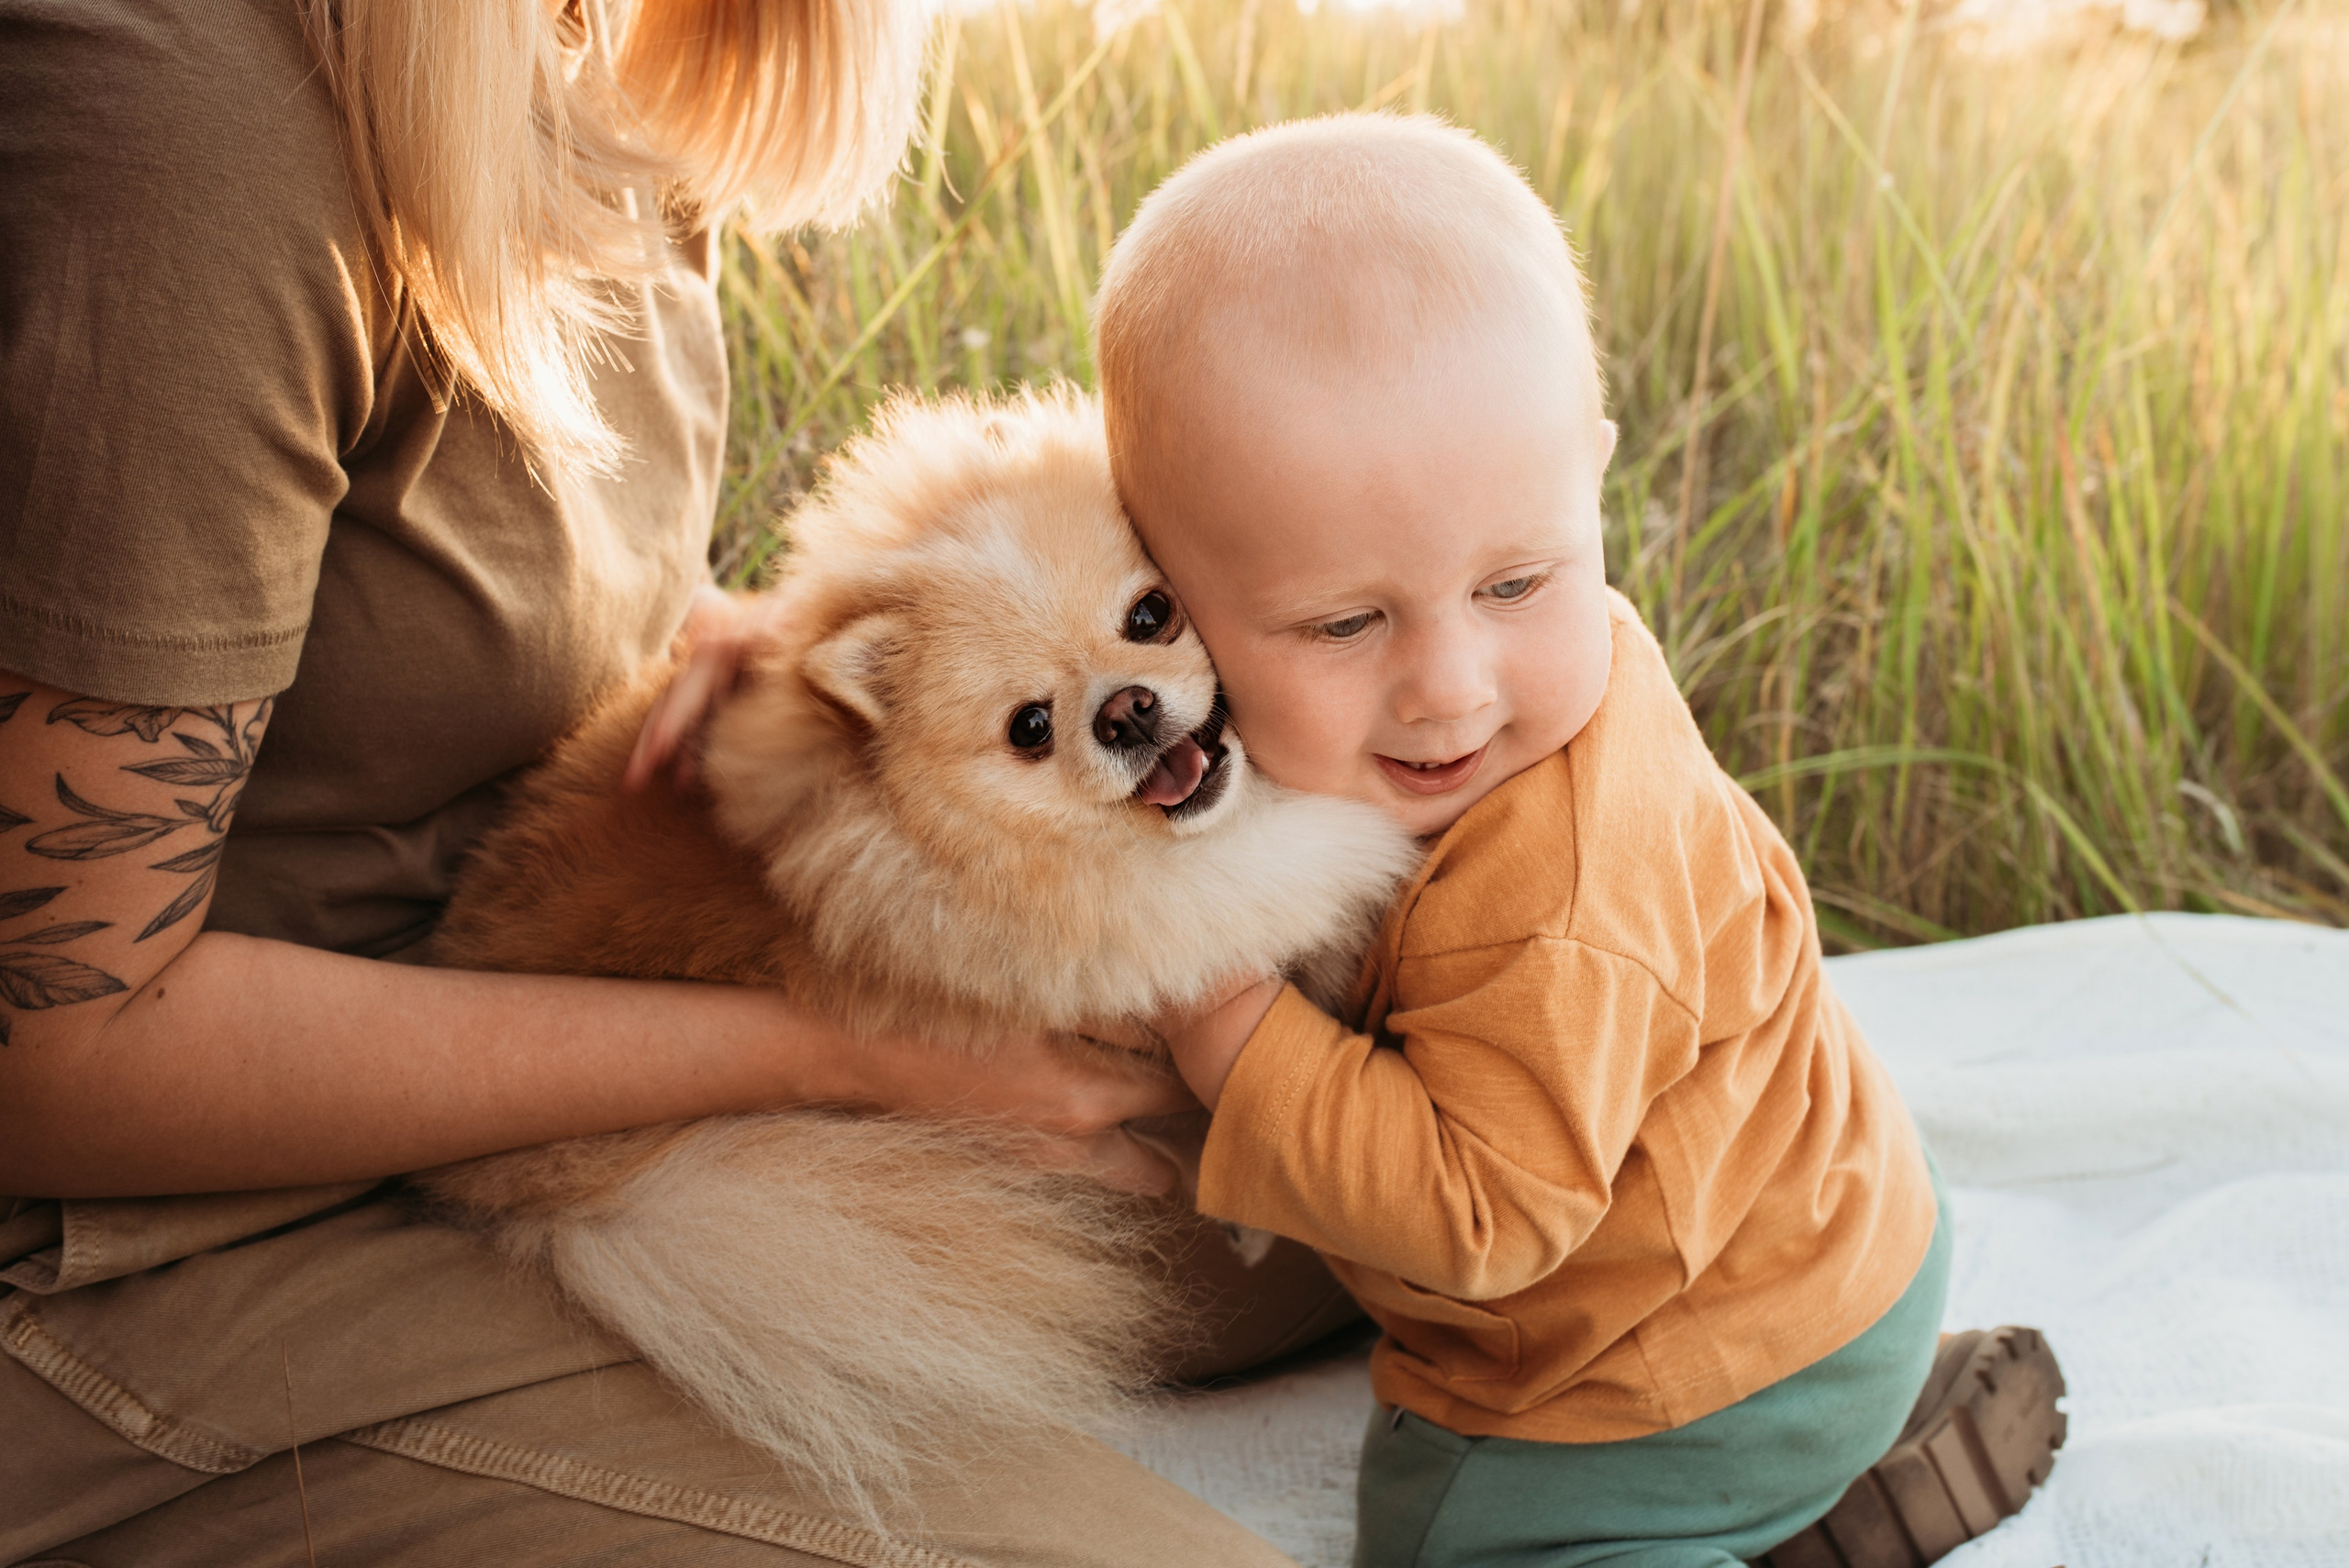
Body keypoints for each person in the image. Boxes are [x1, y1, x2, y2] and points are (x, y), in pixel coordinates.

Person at [0, 4, 1349, 1562]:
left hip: (540, 1001)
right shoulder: (201, 124)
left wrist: (756, 654)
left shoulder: (613, 47)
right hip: (153, 1252)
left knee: (1527, 1165)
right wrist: (854, 1053)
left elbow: (441, 607)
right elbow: (55, 1054)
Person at [1089, 115, 2068, 1568]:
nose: (1451, 687)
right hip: (1824, 1242)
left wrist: (1215, 1004)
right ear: (1165, 583)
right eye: (1346, 623)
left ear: (1591, 481)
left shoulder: (1557, 897)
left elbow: (1484, 1215)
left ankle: (1724, 1508)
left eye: (1517, 581)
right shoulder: (1505, 686)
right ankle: (1838, 1482)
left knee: (1449, 1539)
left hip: (1679, 1372)